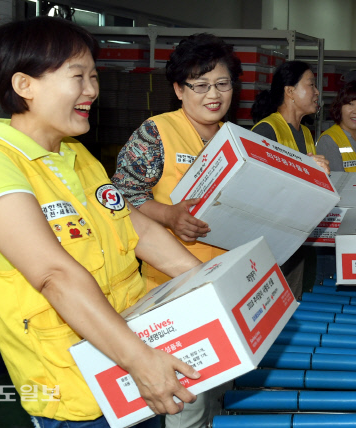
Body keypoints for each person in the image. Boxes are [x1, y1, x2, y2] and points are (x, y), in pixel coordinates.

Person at [0, 17, 202, 428]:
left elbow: (134, 229)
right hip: (77, 391)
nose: (92, 90)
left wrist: (209, 281)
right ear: (25, 85)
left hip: (137, 362)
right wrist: (140, 360)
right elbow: (54, 274)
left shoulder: (76, 155)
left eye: (93, 76)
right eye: (77, 76)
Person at [111, 33, 242, 427]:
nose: (213, 95)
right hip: (172, 288)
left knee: (221, 386)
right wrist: (168, 216)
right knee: (188, 396)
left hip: (223, 278)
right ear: (178, 90)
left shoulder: (234, 138)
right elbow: (118, 197)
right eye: (200, 86)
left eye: (222, 84)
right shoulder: (157, 134)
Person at [249, 60, 329, 297]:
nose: (317, 92)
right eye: (311, 85)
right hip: (269, 243)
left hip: (296, 238)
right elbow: (254, 189)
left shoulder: (305, 132)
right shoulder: (266, 131)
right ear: (290, 91)